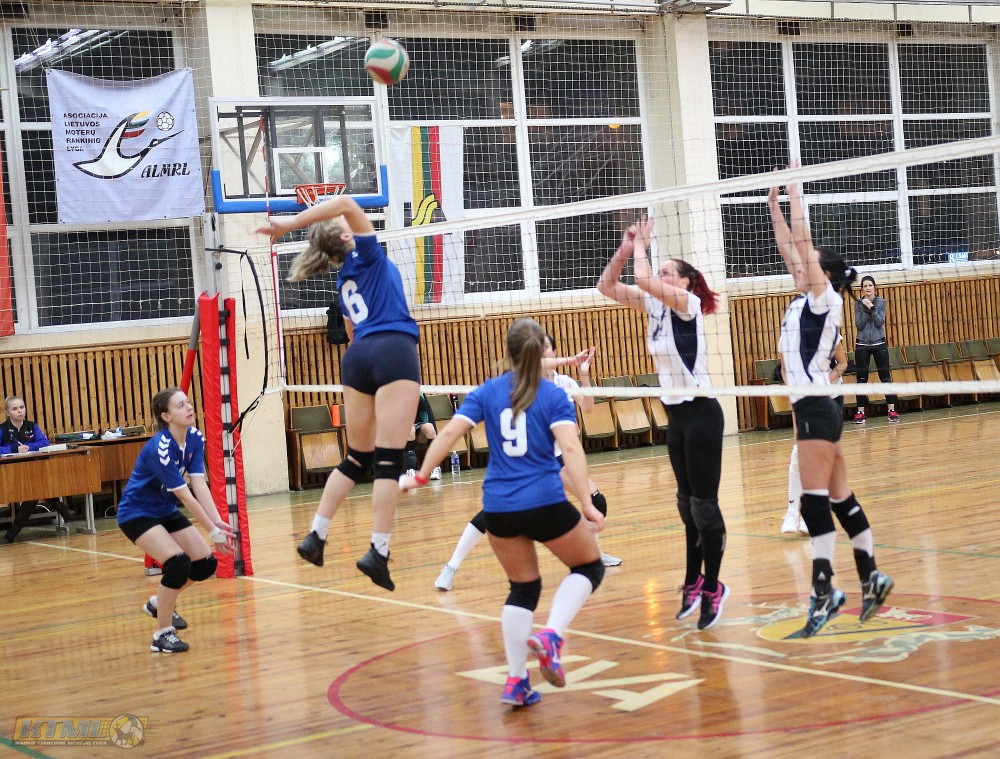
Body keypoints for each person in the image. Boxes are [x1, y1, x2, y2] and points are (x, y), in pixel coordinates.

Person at [402, 317, 605, 708]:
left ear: (508, 352)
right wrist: (585, 502)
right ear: (542, 353)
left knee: (523, 588)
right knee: (589, 567)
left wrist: (422, 475)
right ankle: (551, 636)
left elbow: (448, 433)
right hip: (545, 501)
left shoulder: (487, 391)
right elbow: (571, 449)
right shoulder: (553, 395)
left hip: (498, 507)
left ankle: (516, 681)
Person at [257, 194, 420, 592]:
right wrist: (289, 226)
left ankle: (316, 535)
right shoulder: (368, 254)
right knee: (389, 461)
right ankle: (378, 551)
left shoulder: (344, 276)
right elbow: (345, 201)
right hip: (393, 347)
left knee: (356, 457)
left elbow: (350, 332)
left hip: (357, 357)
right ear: (347, 236)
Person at [768, 175, 894, 637]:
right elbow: (790, 247)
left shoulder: (825, 301)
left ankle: (825, 590)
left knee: (815, 503)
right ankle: (871, 575)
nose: (800, 264)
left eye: (810, 264)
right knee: (841, 499)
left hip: (817, 407)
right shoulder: (804, 299)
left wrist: (797, 198)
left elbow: (802, 245)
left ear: (824, 275)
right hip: (817, 407)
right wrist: (775, 206)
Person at [597, 217, 730, 631]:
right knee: (686, 506)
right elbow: (606, 286)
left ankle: (714, 586)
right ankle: (693, 581)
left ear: (686, 283)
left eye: (668, 272)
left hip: (702, 414)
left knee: (705, 507)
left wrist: (643, 244)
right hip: (676, 418)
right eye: (662, 271)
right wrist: (625, 248)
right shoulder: (655, 304)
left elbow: (643, 278)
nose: (661, 276)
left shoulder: (687, 304)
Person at [433, 336, 619, 592]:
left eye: (547, 347)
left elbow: (587, 407)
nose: (544, 352)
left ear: (554, 351)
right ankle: (451, 565)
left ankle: (591, 552)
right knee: (490, 515)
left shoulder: (565, 382)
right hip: (531, 461)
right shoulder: (526, 384)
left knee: (597, 502)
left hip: (559, 459)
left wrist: (584, 372)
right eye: (539, 349)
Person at [116, 388, 235, 653]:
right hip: (136, 513)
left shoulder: (194, 437)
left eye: (188, 403)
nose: (189, 408)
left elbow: (199, 484)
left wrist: (217, 522)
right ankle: (162, 635)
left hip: (163, 509)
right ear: (166, 416)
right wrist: (212, 531)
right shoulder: (160, 447)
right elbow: (185, 495)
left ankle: (159, 603)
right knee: (178, 563)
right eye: (180, 405)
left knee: (204, 564)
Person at [781, 337, 847, 536]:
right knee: (798, 452)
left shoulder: (829, 333)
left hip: (830, 398)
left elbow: (842, 363)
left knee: (823, 457)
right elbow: (784, 369)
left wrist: (823, 383)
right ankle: (792, 512)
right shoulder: (788, 334)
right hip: (803, 398)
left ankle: (811, 515)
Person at [2, 395, 74, 543]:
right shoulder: (2, 429)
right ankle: (62, 509)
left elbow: (44, 442)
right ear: (8, 412)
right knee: (37, 489)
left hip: (34, 469)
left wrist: (29, 447)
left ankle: (13, 531)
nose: (20, 411)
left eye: (21, 407)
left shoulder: (32, 426)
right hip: (11, 471)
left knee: (35, 490)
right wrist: (15, 449)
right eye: (15, 409)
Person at [853, 275, 899, 424]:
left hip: (879, 343)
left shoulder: (881, 302)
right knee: (861, 379)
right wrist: (866, 310)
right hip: (862, 344)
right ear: (862, 289)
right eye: (865, 286)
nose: (868, 288)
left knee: (885, 377)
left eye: (870, 285)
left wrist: (872, 308)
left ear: (874, 287)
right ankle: (860, 413)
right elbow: (859, 325)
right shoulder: (858, 303)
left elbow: (879, 322)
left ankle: (891, 410)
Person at [405, 393, 442, 481]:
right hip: (402, 429)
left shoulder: (419, 393)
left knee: (429, 428)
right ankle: (411, 470)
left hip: (419, 426)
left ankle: (435, 468)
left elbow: (426, 411)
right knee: (410, 430)